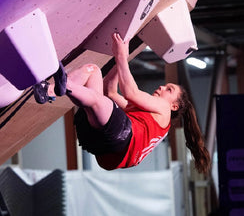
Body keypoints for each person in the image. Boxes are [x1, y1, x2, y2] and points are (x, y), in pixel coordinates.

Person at [33, 33, 210, 173]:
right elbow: (110, 90)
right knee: (93, 72)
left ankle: (66, 86)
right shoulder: (147, 118)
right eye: (165, 85)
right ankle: (48, 90)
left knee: (98, 100)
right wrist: (122, 58)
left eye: (169, 90)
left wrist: (122, 56)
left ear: (174, 106)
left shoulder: (164, 110)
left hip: (120, 141)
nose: (162, 87)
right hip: (105, 152)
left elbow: (130, 92)